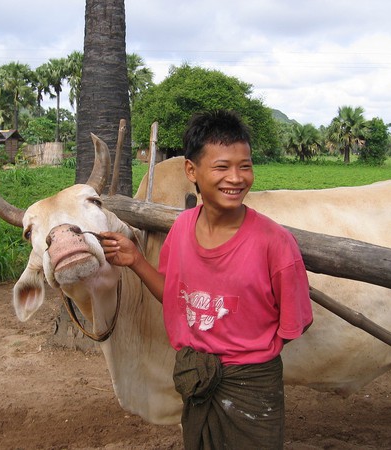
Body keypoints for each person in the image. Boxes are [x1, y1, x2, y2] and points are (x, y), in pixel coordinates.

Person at [101, 110, 313, 450]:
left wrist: (241, 355)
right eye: (222, 167)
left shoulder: (275, 244)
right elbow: (174, 297)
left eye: (245, 166)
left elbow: (293, 326)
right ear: (191, 171)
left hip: (251, 387)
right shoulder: (182, 230)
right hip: (197, 378)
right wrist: (136, 260)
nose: (237, 178)